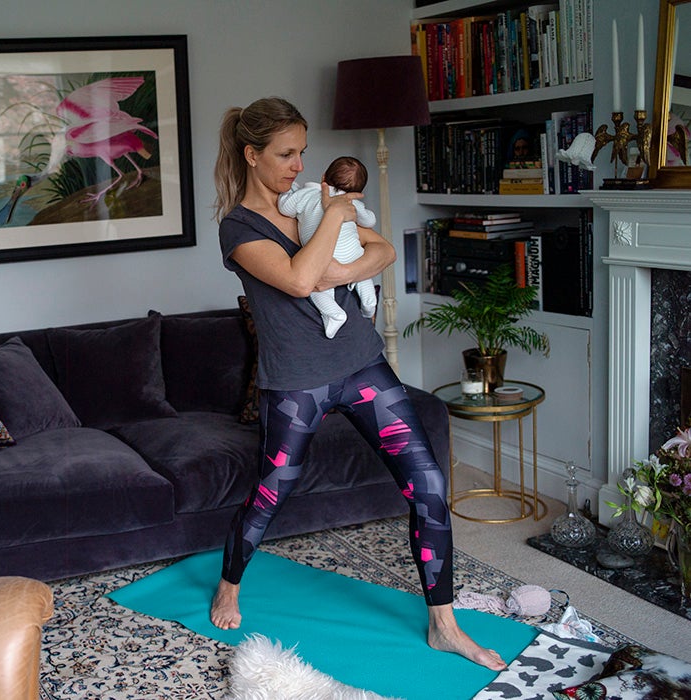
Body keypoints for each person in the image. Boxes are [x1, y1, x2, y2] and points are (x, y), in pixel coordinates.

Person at [209, 96, 507, 672]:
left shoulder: (315, 201)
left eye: (302, 151)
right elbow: (298, 280)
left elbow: (386, 249)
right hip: (297, 384)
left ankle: (444, 623)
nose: (300, 164)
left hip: (362, 363)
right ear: (251, 155)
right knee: (270, 495)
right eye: (286, 153)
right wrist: (340, 219)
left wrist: (342, 266)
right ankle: (230, 582)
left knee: (429, 485)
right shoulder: (238, 228)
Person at [278, 155, 377, 337]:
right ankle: (369, 304)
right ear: (357, 191)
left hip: (325, 258)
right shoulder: (351, 203)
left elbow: (285, 208)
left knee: (318, 287)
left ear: (324, 177)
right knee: (363, 276)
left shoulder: (307, 194)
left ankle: (334, 314)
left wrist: (290, 191)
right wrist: (357, 211)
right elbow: (370, 220)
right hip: (354, 255)